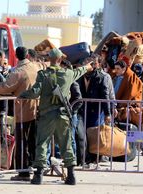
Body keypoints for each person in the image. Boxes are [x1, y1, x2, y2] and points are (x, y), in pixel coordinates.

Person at [19, 48, 93, 185]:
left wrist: (22, 95)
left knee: (42, 143)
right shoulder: (68, 74)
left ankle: (39, 175)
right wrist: (88, 67)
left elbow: (35, 93)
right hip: (63, 115)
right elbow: (80, 71)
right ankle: (71, 176)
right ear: (60, 60)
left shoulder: (43, 75)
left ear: (50, 59)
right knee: (67, 144)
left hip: (46, 116)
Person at [0, 46, 41, 181]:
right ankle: (36, 169)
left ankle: (23, 173)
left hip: (23, 111)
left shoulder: (18, 72)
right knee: (33, 141)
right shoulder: (36, 67)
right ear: (27, 55)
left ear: (16, 56)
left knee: (22, 142)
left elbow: (3, 88)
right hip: (36, 109)